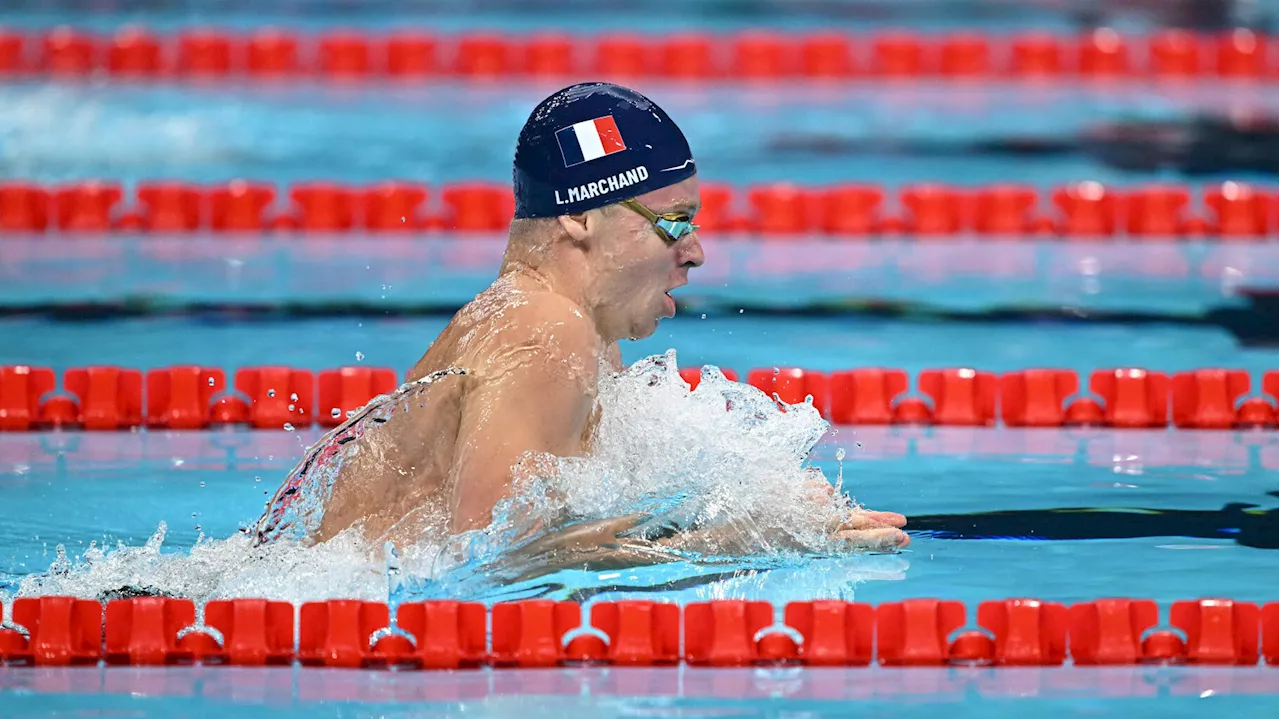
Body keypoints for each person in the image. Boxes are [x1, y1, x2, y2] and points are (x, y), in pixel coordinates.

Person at [253, 82, 908, 560]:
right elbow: (484, 565)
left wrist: (756, 511)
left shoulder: (543, 322)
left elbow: (520, 542)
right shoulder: (547, 329)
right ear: (580, 219)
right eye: (673, 221)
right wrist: (742, 542)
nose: (696, 252)